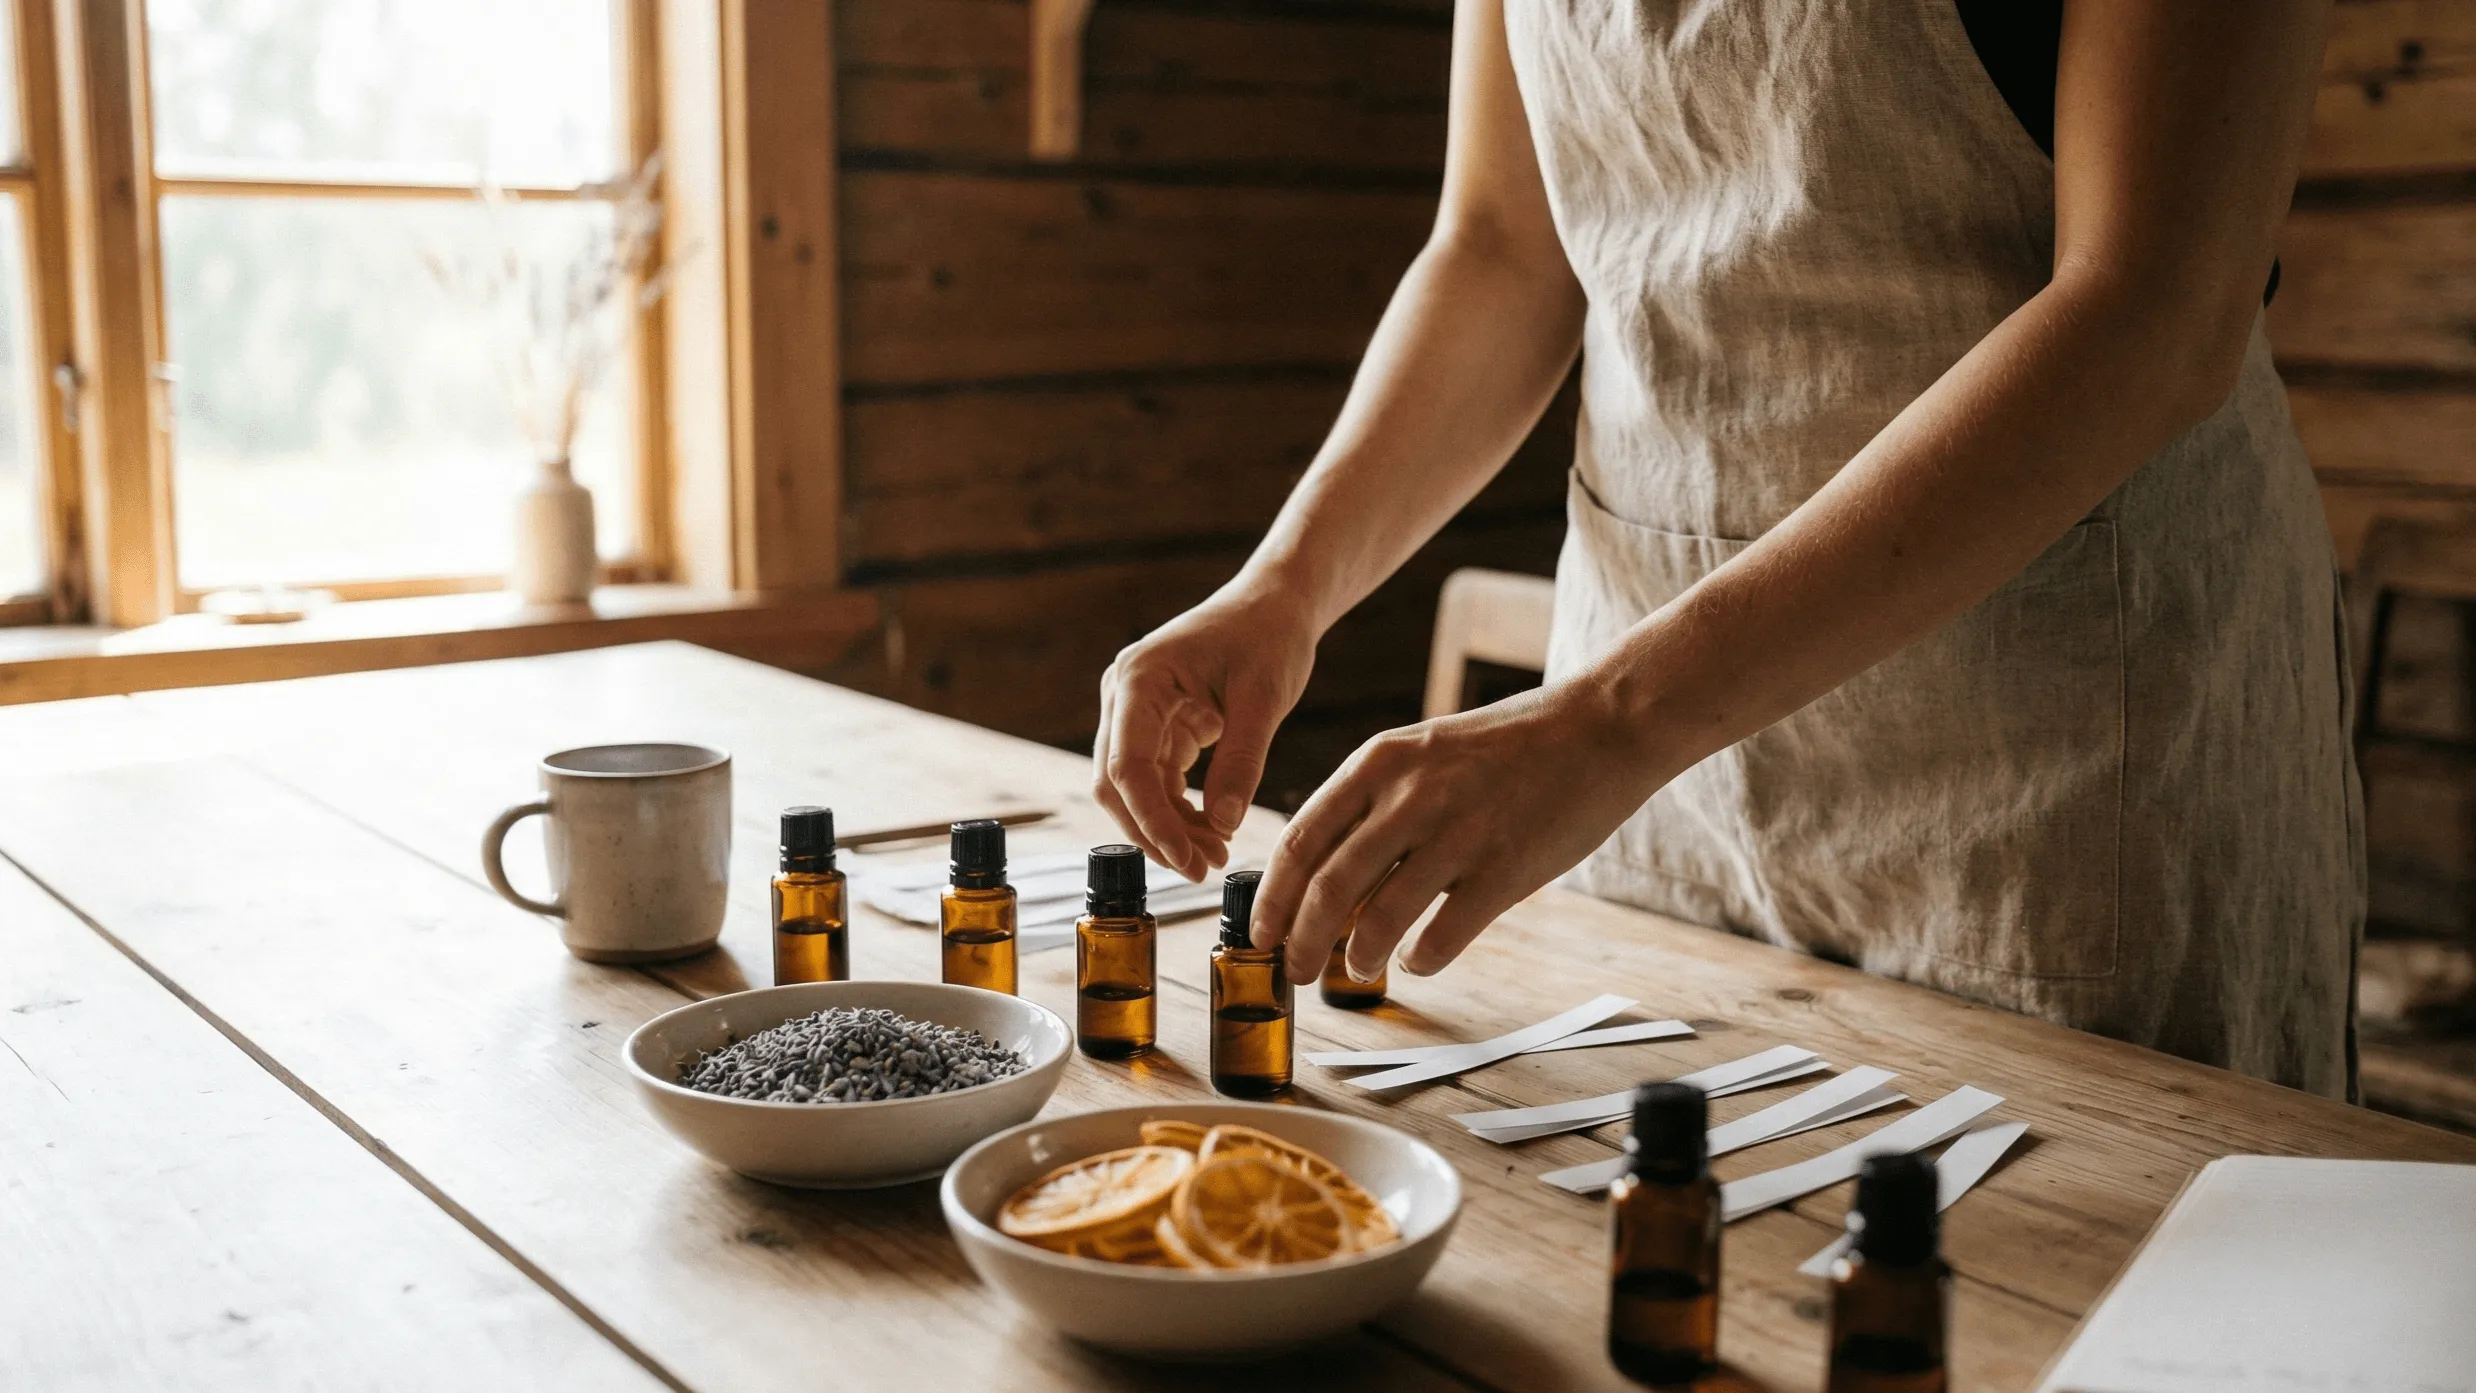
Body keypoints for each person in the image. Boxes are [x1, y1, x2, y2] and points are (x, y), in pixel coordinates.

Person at [1091, 1, 2355, 1096]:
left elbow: (2155, 307)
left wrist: (1608, 723)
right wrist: (1287, 585)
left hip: (2060, 763)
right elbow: (1499, 249)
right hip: (1642, 768)